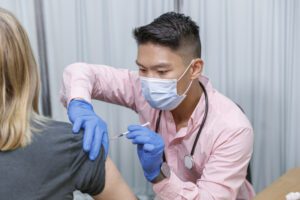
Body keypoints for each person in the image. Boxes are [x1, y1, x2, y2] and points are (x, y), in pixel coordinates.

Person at [61, 12, 255, 199]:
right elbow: (79, 71)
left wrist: (158, 174)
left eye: (162, 72)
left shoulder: (233, 129)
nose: (150, 82)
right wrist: (80, 104)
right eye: (142, 68)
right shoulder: (140, 87)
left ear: (195, 68)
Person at [0, 7, 136, 200]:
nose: (151, 76)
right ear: (26, 71)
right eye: (144, 69)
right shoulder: (70, 145)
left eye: (161, 71)